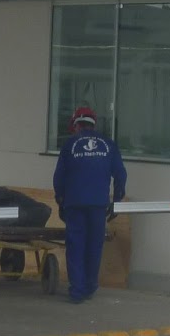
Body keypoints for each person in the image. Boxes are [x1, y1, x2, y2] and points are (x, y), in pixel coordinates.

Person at [52, 106, 127, 304]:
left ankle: (77, 291)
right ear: (94, 124)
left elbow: (59, 177)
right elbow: (120, 174)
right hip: (98, 204)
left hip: (74, 203)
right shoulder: (109, 145)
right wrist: (117, 200)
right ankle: (90, 287)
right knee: (94, 245)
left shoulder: (70, 145)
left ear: (76, 125)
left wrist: (60, 199)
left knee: (75, 246)